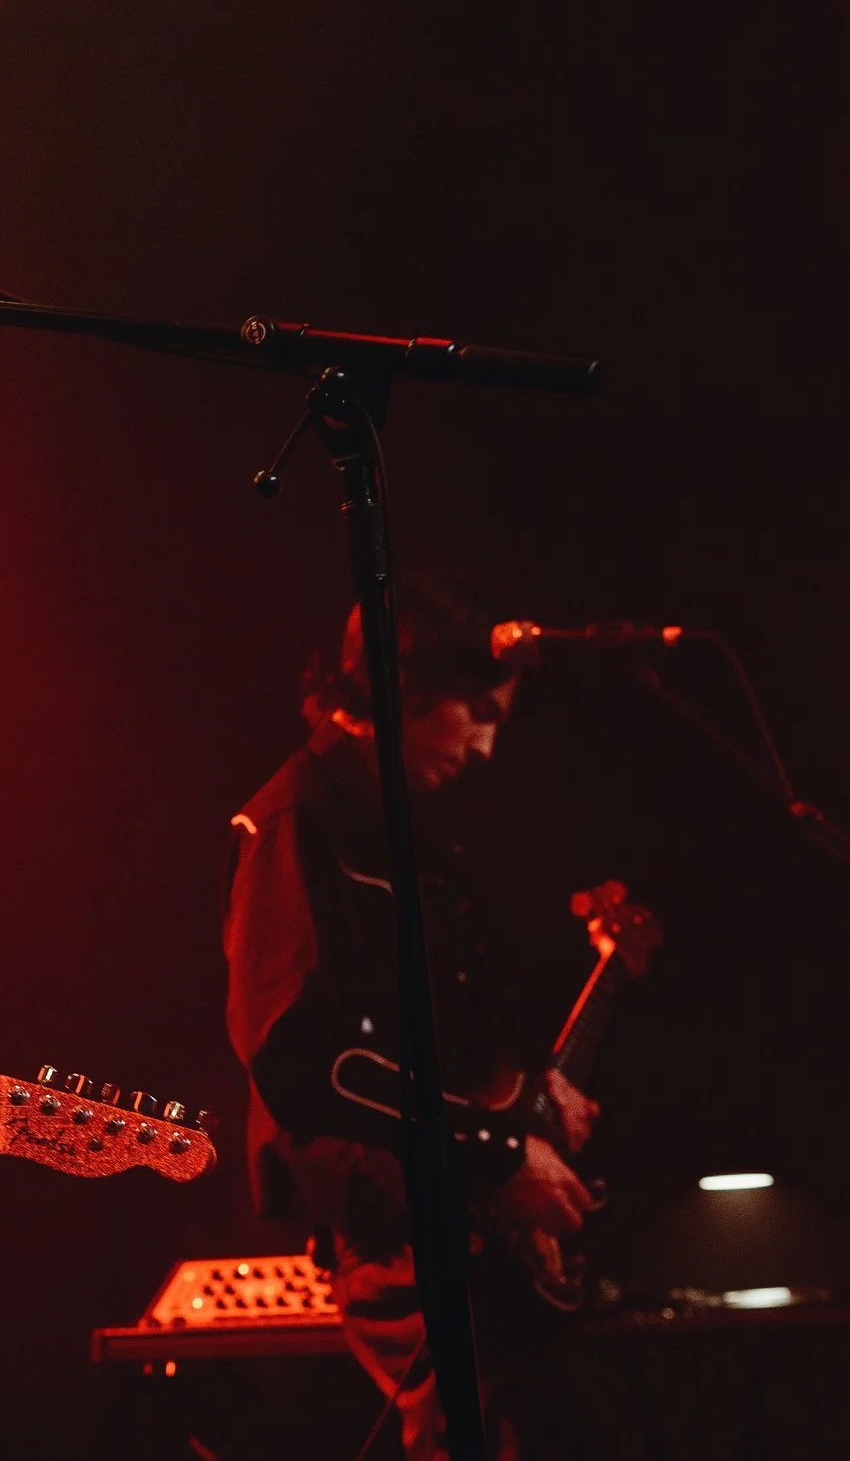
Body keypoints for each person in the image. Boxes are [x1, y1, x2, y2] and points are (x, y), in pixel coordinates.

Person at [221, 577, 598, 1460]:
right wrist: (496, 1150)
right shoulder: (298, 819)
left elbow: (427, 1038)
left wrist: (531, 1091)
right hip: (393, 1216)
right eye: (479, 712)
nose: (488, 744)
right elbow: (301, 1057)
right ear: (411, 692)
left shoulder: (403, 833)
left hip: (444, 1204)